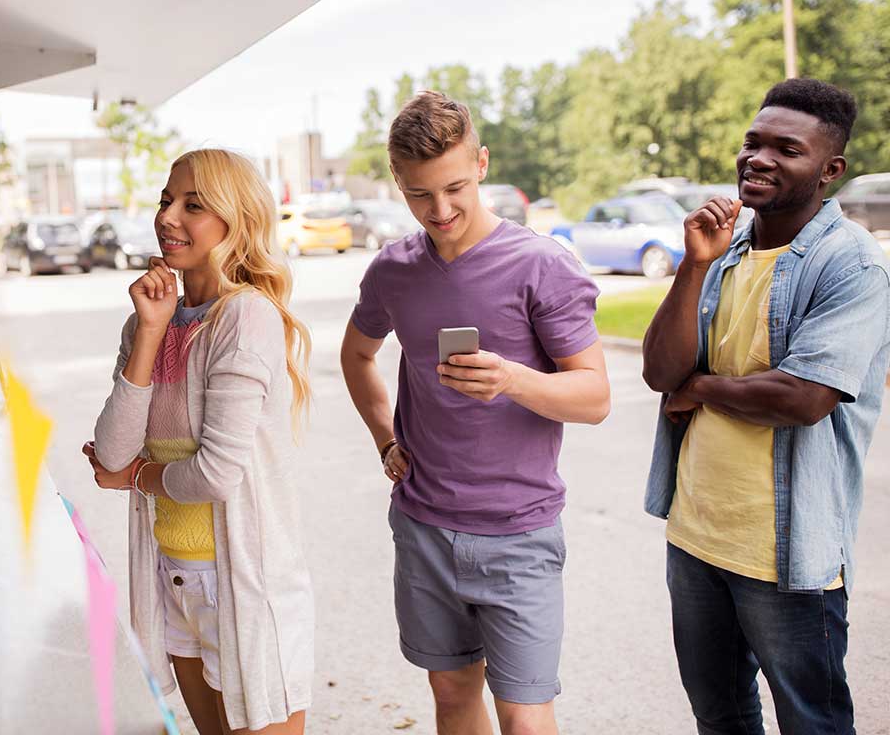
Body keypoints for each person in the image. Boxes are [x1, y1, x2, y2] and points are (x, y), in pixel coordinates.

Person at [339, 91, 610, 735]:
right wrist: (385, 440)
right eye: (418, 194)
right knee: (453, 697)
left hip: (519, 533)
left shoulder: (541, 265)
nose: (440, 210)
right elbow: (357, 355)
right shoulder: (393, 270)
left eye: (455, 187)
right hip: (423, 526)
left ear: (482, 163)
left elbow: (595, 396)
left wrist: (512, 379)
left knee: (523, 715)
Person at [642, 78, 890, 735]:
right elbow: (659, 371)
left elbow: (803, 397)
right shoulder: (727, 252)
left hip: (786, 554)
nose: (759, 158)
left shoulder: (852, 264)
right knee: (721, 716)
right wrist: (693, 266)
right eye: (754, 142)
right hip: (696, 538)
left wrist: (699, 389)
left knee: (813, 722)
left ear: (829, 169)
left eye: (787, 149)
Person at [84, 148, 314, 734]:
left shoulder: (246, 318)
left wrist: (138, 477)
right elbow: (110, 452)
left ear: (234, 221)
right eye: (166, 201)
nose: (168, 217)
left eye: (193, 204)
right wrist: (151, 333)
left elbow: (213, 474)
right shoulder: (148, 320)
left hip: (242, 582)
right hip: (173, 580)